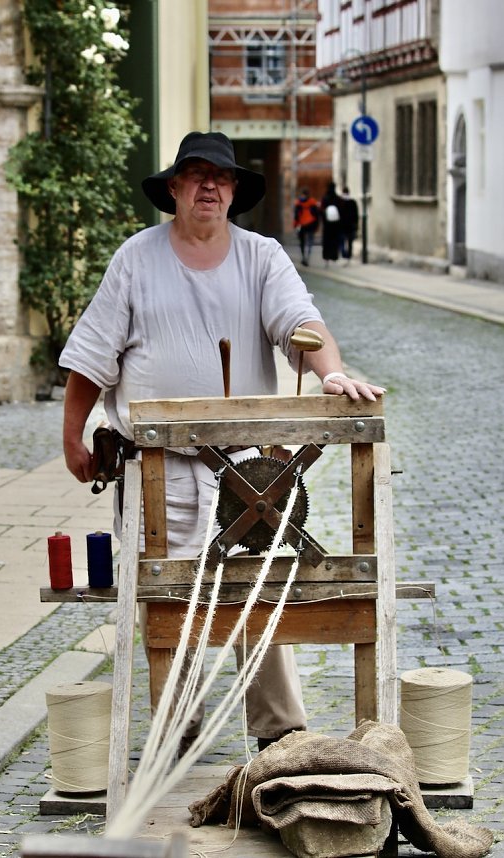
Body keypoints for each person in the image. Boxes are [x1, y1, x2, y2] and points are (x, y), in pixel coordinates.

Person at [59, 131, 385, 755]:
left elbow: (300, 322)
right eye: (196, 174)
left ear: (234, 192)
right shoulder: (137, 258)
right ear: (175, 188)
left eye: (222, 177)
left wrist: (330, 372)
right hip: (156, 464)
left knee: (254, 588)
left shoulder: (261, 257)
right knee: (169, 593)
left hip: (247, 470)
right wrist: (72, 435)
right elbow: (92, 359)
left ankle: (279, 731)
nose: (209, 185)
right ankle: (176, 730)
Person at [293, 186, 319, 266]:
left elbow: (296, 215)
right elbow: (316, 215)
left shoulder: (298, 203)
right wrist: (316, 225)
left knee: (302, 242)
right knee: (309, 241)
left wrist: (295, 224)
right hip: (311, 224)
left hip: (302, 225)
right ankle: (307, 257)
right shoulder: (312, 202)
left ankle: (304, 257)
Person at [320, 180, 342, 265]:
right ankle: (334, 256)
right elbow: (340, 210)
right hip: (335, 224)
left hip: (327, 224)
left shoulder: (325, 198)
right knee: (334, 240)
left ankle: (327, 256)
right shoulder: (337, 198)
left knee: (327, 240)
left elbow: (321, 210)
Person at [340, 186, 359, 262]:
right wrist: (356, 224)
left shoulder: (340, 202)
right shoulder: (353, 202)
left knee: (343, 240)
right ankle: (349, 254)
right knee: (350, 241)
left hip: (343, 225)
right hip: (350, 225)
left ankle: (344, 253)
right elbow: (356, 215)